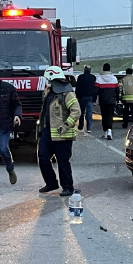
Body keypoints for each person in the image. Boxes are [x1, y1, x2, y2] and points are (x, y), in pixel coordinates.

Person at [38, 66, 81, 197]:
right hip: (47, 132)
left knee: (63, 162)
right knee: (43, 158)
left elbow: (76, 111)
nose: (47, 81)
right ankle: (51, 183)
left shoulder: (67, 93)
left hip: (63, 135)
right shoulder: (49, 91)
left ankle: (68, 187)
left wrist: (66, 125)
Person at [95, 63, 120, 140]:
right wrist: (117, 99)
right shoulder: (114, 78)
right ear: (109, 69)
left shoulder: (99, 78)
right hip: (112, 101)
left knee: (104, 116)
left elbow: (96, 90)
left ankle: (105, 132)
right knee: (110, 116)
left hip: (103, 101)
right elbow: (117, 90)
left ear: (103, 69)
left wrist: (94, 100)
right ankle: (109, 130)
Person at [75, 65, 98, 133]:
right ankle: (88, 128)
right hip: (90, 97)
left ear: (84, 70)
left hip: (82, 97)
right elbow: (95, 89)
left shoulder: (80, 77)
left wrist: (77, 96)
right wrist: (94, 99)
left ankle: (81, 126)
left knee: (81, 112)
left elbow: (77, 87)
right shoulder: (93, 77)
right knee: (89, 113)